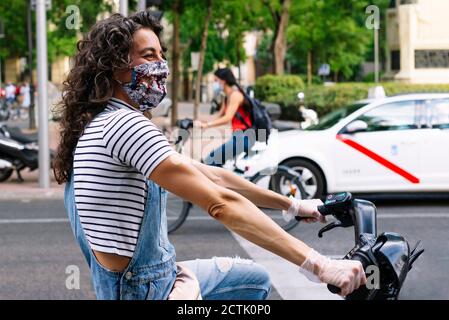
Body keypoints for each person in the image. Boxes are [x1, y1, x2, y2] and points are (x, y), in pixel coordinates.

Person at [53, 12, 366, 300]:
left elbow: (212, 175)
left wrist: (294, 205)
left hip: (133, 280)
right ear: (114, 65)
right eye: (148, 56)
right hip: (143, 288)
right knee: (254, 287)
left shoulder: (98, 122)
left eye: (162, 55)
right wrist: (321, 265)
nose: (161, 65)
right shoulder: (127, 125)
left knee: (254, 278)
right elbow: (221, 203)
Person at [196, 68, 255, 167]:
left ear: (223, 80)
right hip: (237, 136)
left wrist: (207, 125)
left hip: (244, 137)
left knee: (211, 161)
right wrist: (198, 120)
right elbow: (218, 115)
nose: (215, 83)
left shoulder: (235, 95)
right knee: (215, 162)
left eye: (216, 80)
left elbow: (227, 118)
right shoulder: (227, 96)